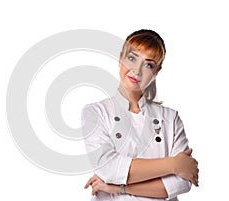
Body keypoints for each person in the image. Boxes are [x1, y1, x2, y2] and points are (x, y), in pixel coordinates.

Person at [82, 29, 199, 201]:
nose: (137, 71)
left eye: (148, 64)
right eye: (132, 58)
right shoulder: (95, 113)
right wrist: (173, 164)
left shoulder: (171, 119)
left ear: (156, 72)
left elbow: (182, 182)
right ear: (120, 58)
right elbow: (108, 169)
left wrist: (117, 187)